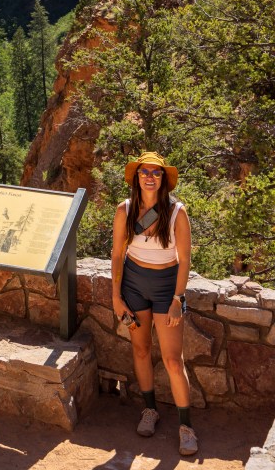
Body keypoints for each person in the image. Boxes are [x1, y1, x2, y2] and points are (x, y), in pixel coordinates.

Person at [111, 151, 197, 458]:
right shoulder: (125, 210)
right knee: (141, 349)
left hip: (165, 289)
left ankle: (186, 426)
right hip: (133, 285)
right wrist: (116, 296)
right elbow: (118, 254)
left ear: (163, 179)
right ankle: (150, 410)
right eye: (145, 172)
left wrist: (177, 299)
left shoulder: (176, 213)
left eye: (156, 173)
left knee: (173, 360)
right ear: (136, 177)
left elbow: (184, 260)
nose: (150, 177)